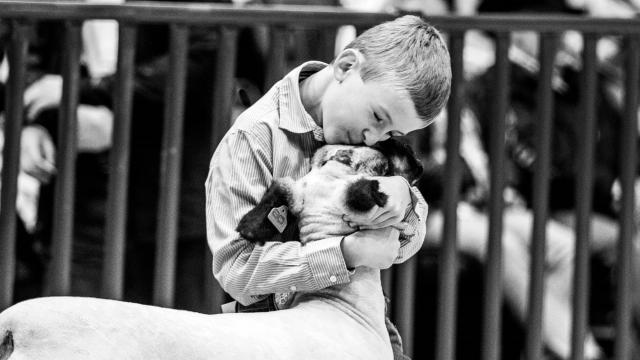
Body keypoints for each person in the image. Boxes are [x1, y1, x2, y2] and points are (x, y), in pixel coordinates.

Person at [206, 15, 451, 360]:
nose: (374, 138)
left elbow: (400, 245)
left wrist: (406, 200)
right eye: (378, 118)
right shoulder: (252, 139)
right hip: (271, 334)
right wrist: (345, 252)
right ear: (346, 66)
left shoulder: (375, 138)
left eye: (393, 134)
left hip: (362, 324)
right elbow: (237, 269)